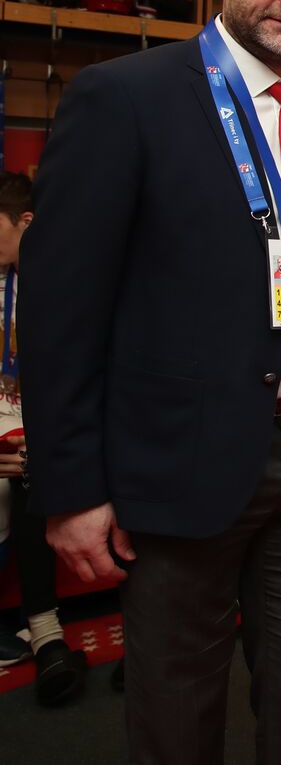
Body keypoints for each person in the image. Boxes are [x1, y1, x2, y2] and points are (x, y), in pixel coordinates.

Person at [20, 0, 281, 763]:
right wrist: (69, 487)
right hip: (182, 462)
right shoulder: (125, 97)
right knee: (177, 718)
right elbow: (61, 304)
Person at [0, 171, 90, 704]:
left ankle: (46, 630)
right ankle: (45, 628)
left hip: (43, 422)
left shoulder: (61, 279)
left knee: (39, 465)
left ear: (26, 224)